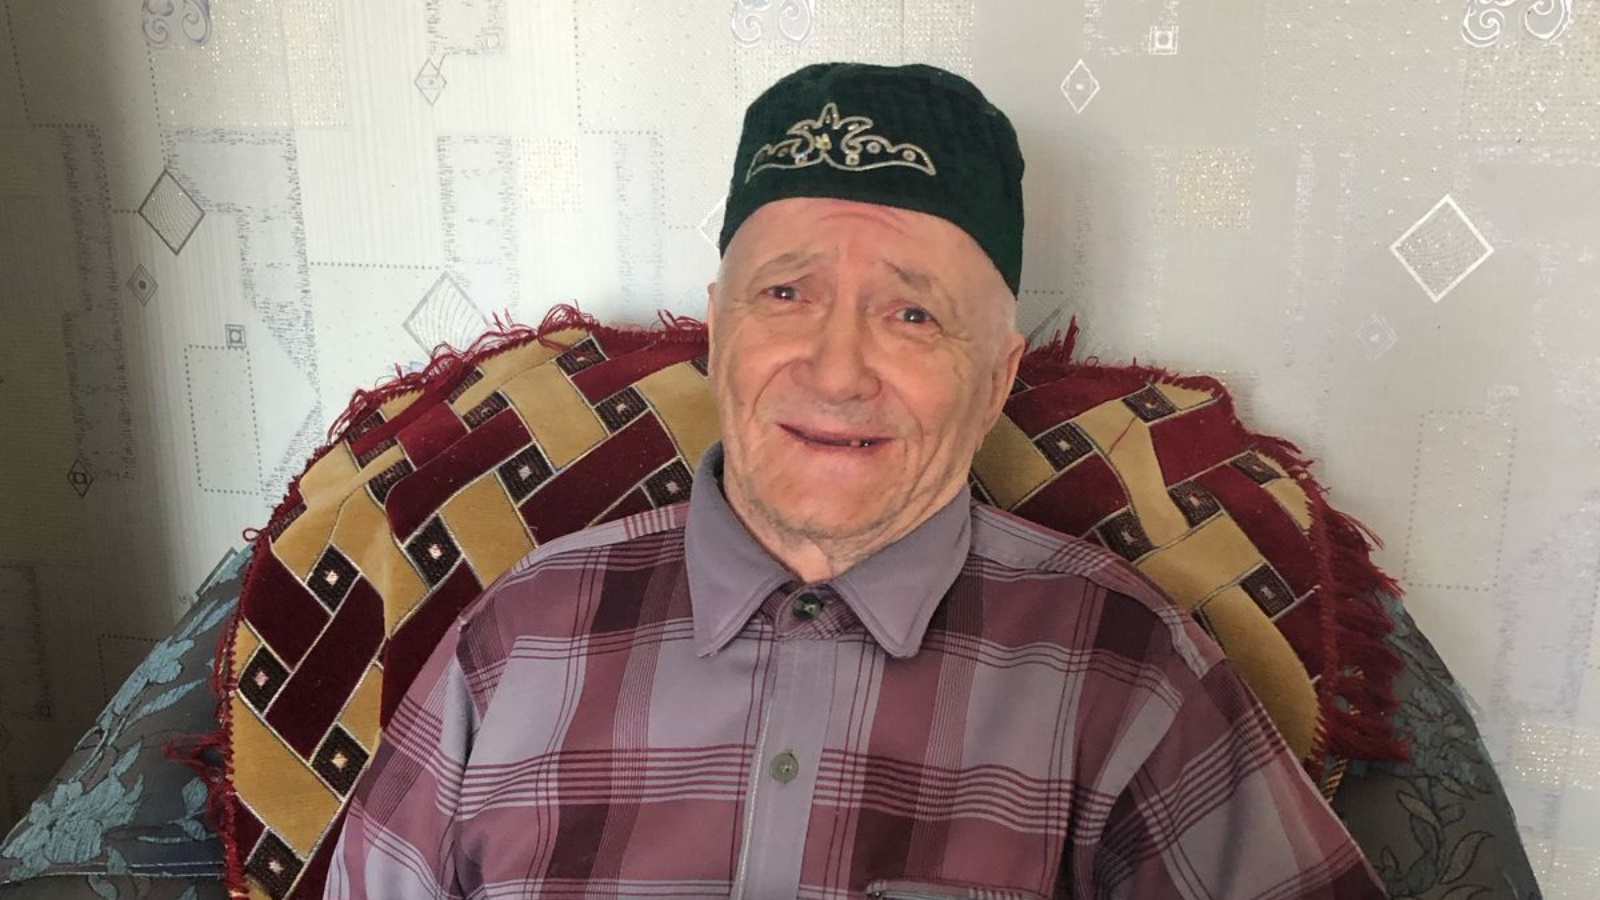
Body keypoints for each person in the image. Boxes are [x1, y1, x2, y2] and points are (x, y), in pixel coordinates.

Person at [325, 61, 1386, 899]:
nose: (836, 372)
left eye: (912, 314)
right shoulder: (514, 640)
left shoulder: (1128, 668)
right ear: (718, 334)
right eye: (786, 294)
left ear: (995, 378)